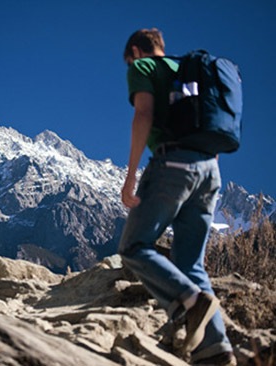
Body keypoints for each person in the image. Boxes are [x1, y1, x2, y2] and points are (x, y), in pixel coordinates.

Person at [118, 28, 236, 366]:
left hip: (172, 165)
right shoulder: (187, 71)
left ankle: (187, 301)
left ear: (137, 52)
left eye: (130, 60)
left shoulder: (143, 68)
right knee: (191, 264)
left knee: (133, 246)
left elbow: (143, 113)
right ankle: (217, 350)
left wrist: (130, 176)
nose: (131, 65)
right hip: (210, 170)